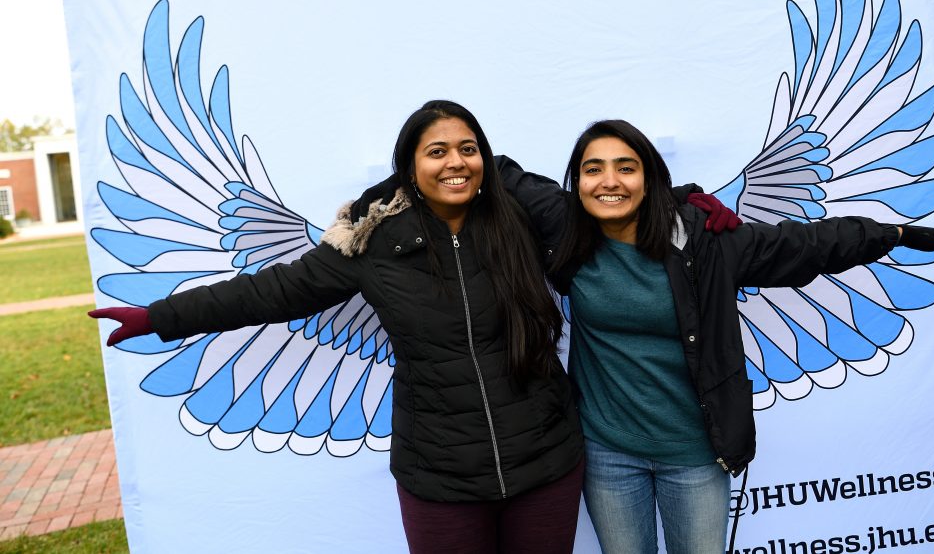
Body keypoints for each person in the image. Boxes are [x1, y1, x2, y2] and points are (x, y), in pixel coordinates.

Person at [92, 101, 600, 553]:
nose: (455, 163)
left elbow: (602, 209)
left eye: (468, 149)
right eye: (437, 151)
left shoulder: (520, 221)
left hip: (545, 462)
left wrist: (679, 200)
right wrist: (159, 317)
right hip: (440, 476)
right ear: (409, 166)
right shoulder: (373, 240)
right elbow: (273, 291)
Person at [489, 119, 934, 554]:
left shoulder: (703, 241)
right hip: (607, 452)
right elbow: (491, 170)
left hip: (695, 454)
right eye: (594, 169)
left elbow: (806, 245)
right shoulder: (562, 222)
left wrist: (895, 234)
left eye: (626, 167)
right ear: (577, 182)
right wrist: (414, 171)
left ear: (650, 178)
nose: (609, 181)